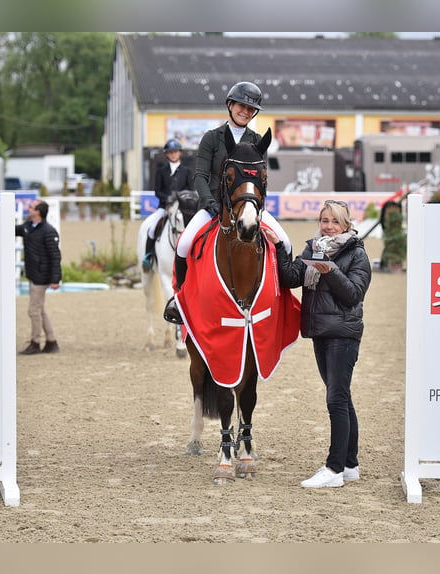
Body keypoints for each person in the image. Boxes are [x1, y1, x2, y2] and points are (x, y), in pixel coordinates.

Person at [262, 200, 371, 488]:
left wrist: (329, 270)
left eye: (334, 221)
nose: (328, 226)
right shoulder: (313, 247)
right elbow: (291, 277)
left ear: (346, 225)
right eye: (324, 220)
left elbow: (353, 294)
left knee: (336, 399)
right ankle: (350, 465)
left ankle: (334, 470)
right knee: (342, 397)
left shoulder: (357, 253)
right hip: (320, 331)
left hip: (343, 333)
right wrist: (279, 249)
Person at [163, 81, 291, 324]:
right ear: (230, 105)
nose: (245, 111)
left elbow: (262, 179)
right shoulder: (212, 138)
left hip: (249, 205)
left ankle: (280, 295)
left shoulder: (257, 140)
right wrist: (209, 201)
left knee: (284, 240)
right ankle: (179, 300)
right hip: (214, 206)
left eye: (250, 108)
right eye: (241, 106)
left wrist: (256, 204)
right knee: (184, 243)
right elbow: (200, 175)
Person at [15, 199, 62, 354]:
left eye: (31, 207)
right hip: (33, 273)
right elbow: (13, 229)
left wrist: (55, 279)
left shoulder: (48, 231)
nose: (29, 208)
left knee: (33, 310)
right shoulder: (28, 227)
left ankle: (35, 342)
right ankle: (51, 341)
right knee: (40, 309)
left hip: (41, 276)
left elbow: (55, 256)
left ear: (38, 212)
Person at [141, 138, 194, 272]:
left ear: (179, 153)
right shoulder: (161, 171)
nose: (173, 154)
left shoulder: (186, 171)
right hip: (164, 207)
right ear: (166, 154)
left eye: (175, 152)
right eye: (170, 152)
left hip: (181, 208)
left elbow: (190, 190)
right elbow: (157, 191)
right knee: (152, 228)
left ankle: (195, 256)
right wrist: (168, 200)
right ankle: (148, 256)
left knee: (192, 229)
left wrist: (179, 200)